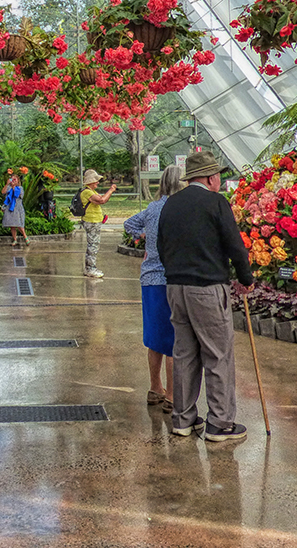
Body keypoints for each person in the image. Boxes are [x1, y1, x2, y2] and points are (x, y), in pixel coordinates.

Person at [157, 152, 254, 442]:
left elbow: (162, 247)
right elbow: (234, 244)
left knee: (184, 353)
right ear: (212, 178)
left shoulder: (170, 204)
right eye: (219, 176)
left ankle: (183, 420)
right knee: (217, 354)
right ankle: (220, 423)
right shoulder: (216, 202)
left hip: (175, 288)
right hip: (208, 288)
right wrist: (245, 278)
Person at [123, 164, 184, 413]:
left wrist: (145, 237)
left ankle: (154, 387)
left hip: (149, 278)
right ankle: (171, 395)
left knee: (154, 338)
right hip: (170, 278)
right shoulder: (179, 209)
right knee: (172, 340)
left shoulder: (152, 208)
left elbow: (128, 224)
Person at [79, 169, 116, 278]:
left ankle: (90, 267)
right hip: (91, 222)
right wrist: (111, 190)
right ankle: (91, 268)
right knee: (93, 245)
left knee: (93, 244)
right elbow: (102, 200)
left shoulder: (92, 192)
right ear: (90, 182)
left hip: (95, 221)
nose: (97, 182)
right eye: (96, 180)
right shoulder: (87, 192)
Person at [2, 174, 27, 246]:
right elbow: (3, 192)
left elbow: (17, 195)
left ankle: (25, 237)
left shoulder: (20, 188)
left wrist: (13, 187)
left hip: (17, 208)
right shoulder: (8, 187)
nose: (12, 181)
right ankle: (15, 239)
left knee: (19, 225)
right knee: (12, 226)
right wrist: (7, 184)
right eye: (11, 179)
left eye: (14, 179)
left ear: (17, 181)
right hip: (10, 208)